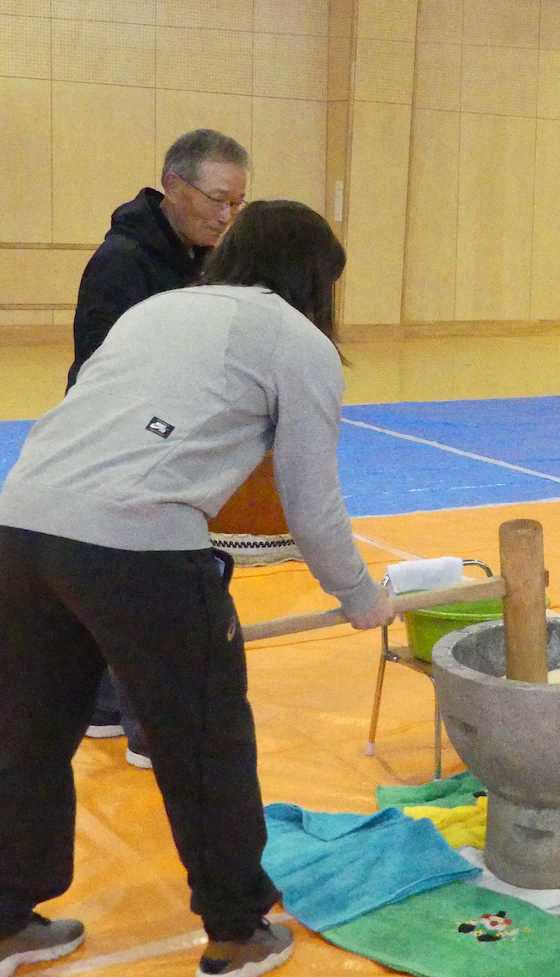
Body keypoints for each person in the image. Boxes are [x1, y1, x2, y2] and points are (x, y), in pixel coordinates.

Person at [0, 200, 395, 977]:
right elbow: (311, 505)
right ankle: (238, 929)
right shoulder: (299, 342)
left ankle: (7, 918)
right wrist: (361, 597)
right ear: (316, 280)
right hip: (137, 549)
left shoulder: (158, 311)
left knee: (26, 738)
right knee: (204, 743)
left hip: (18, 529)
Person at [68, 128, 250, 767]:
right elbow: (103, 371)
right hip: (122, 449)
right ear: (174, 187)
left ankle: (107, 707)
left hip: (161, 448)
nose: (227, 216)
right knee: (161, 589)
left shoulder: (201, 258)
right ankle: (157, 731)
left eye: (238, 205)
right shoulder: (123, 262)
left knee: (117, 584)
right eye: (217, 200)